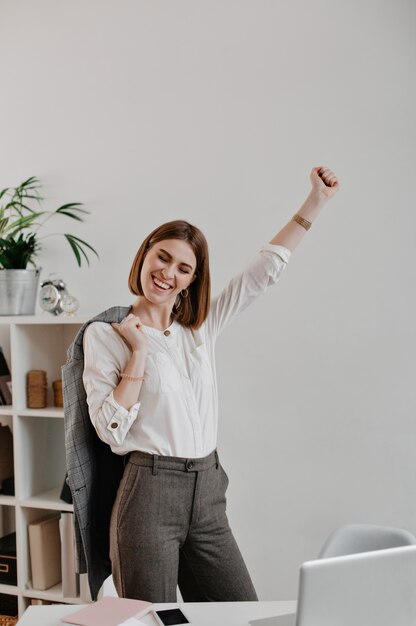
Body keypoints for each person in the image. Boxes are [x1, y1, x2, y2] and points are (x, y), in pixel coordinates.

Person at [81, 165, 339, 603]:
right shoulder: (106, 335)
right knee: (154, 619)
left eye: (184, 267)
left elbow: (263, 271)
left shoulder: (200, 328)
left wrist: (316, 200)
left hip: (207, 491)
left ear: (192, 280)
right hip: (148, 494)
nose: (168, 273)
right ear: (145, 254)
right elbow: (109, 430)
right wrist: (139, 354)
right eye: (162, 257)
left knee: (240, 612)